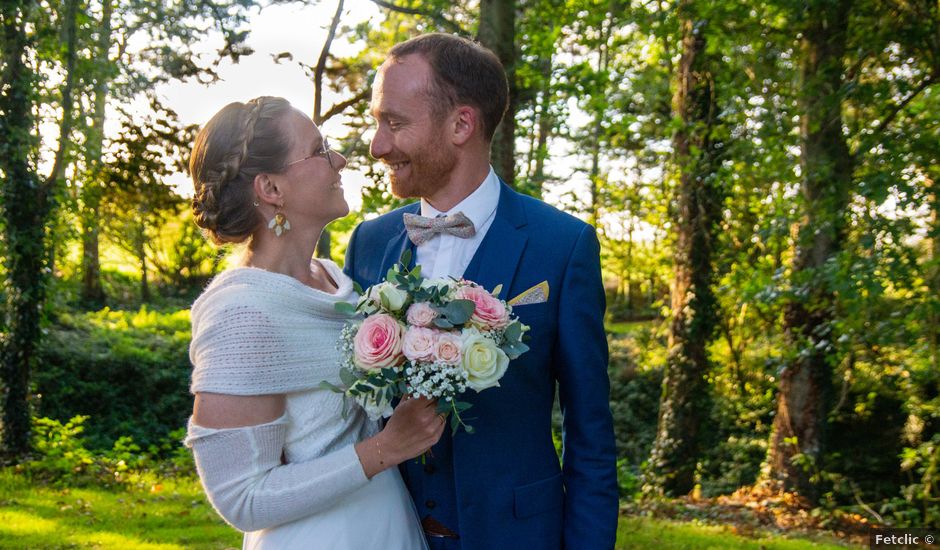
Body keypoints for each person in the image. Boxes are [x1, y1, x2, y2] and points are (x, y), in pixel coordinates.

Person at [344, 34, 619, 550]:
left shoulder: (562, 245)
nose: (377, 145)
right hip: (384, 533)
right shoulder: (369, 242)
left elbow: (591, 435)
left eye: (394, 122)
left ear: (461, 124)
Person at [184, 96, 445, 549]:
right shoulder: (242, 312)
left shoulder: (336, 280)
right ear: (271, 189)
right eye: (319, 150)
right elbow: (242, 498)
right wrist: (386, 448)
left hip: (386, 521)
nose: (339, 159)